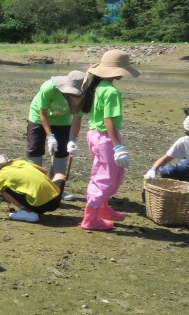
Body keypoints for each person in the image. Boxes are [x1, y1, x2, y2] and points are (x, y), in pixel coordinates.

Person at [78, 49, 140, 231]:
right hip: (105, 137)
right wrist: (117, 146)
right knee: (107, 176)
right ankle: (90, 217)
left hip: (94, 135)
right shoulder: (111, 92)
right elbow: (108, 120)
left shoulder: (97, 86)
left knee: (105, 172)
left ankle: (102, 207)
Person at [27, 70, 84, 200]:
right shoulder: (49, 88)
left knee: (62, 152)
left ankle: (57, 188)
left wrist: (72, 140)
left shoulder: (85, 96)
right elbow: (43, 113)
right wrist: (50, 137)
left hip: (63, 121)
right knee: (35, 149)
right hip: (38, 117)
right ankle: (36, 186)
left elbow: (77, 119)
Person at [0, 153, 67, 223]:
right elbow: (44, 171)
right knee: (60, 175)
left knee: (3, 189)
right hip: (56, 200)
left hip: (39, 206)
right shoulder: (20, 162)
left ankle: (28, 212)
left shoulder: (1, 175)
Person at [145, 112, 189, 182]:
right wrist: (153, 170)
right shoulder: (184, 141)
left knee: (183, 165)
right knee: (166, 170)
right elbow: (165, 159)